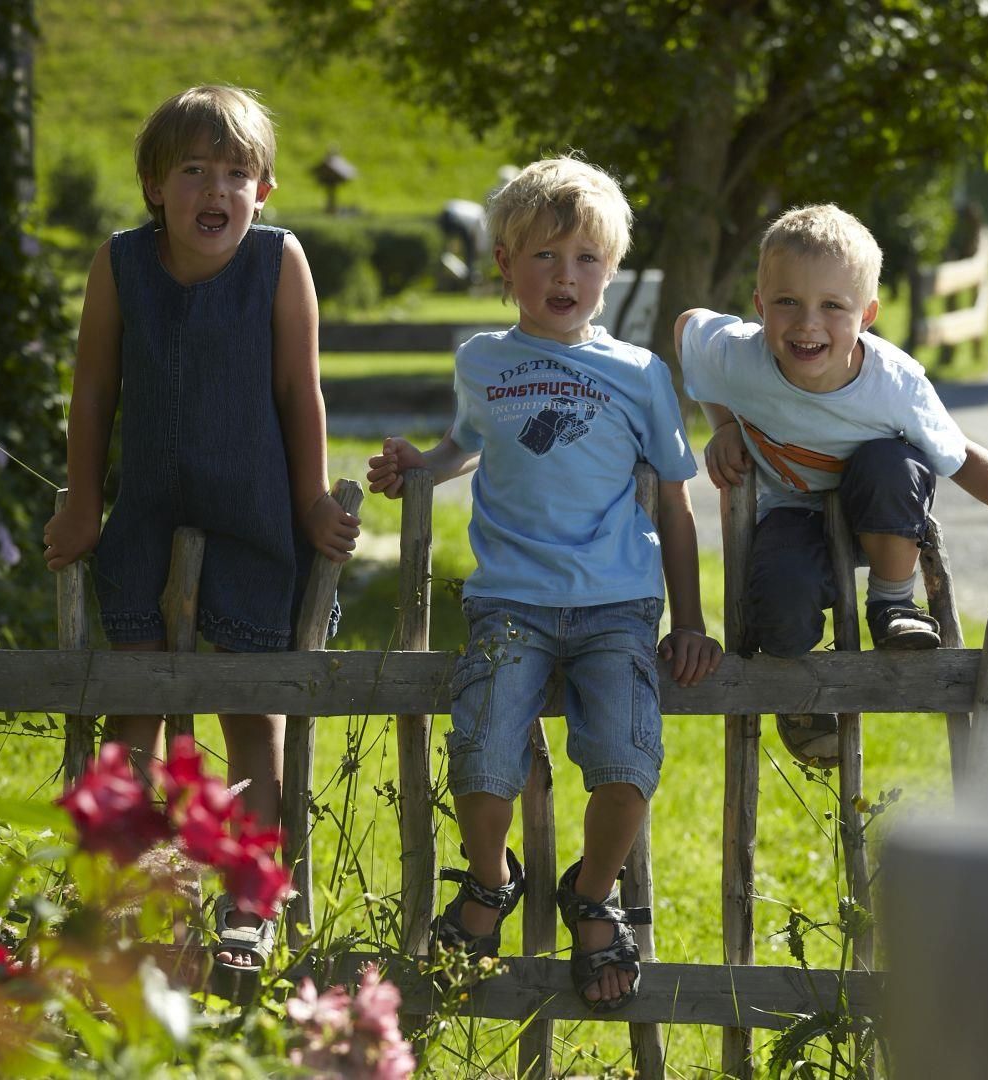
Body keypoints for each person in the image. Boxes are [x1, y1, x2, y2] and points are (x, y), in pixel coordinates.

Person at [366, 157, 722, 1012]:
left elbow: (674, 504)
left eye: (585, 259)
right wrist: (428, 462)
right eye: (543, 257)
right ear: (503, 262)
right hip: (511, 601)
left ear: (611, 270)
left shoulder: (640, 375)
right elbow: (468, 442)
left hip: (614, 606)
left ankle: (593, 890)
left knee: (627, 761)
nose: (565, 276)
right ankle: (490, 882)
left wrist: (690, 617)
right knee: (483, 757)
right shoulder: (482, 359)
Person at [41, 85, 360, 971]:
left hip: (254, 514)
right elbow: (94, 390)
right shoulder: (120, 265)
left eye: (235, 173)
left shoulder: (277, 261)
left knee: (251, 708)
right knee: (132, 701)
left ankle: (250, 900)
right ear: (153, 185)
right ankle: (122, 888)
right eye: (192, 171)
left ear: (263, 190)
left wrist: (307, 504)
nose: (214, 190)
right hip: (144, 510)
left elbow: (300, 390)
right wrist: (80, 499)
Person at [676, 203, 988, 768]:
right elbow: (686, 328)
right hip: (792, 515)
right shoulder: (739, 355)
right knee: (776, 611)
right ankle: (801, 700)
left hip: (879, 510)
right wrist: (724, 424)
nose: (807, 324)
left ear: (867, 314)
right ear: (759, 306)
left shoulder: (893, 384)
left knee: (889, 462)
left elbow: (958, 454)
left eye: (832, 306)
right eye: (787, 303)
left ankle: (892, 605)